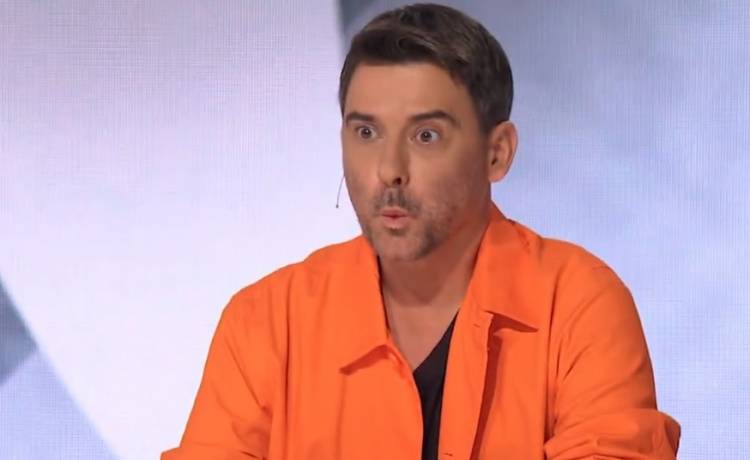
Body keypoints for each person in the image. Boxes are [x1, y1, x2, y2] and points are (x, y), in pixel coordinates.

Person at [162, 3, 680, 459]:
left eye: (426, 135)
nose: (389, 169)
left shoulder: (577, 304)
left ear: (497, 153)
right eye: (366, 132)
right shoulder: (267, 321)